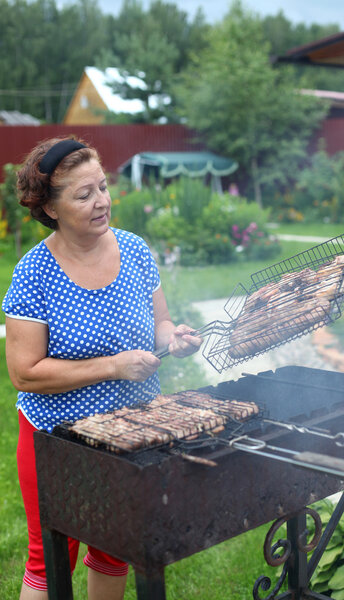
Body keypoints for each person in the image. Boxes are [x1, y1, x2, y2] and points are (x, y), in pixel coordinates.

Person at [2, 136, 202, 600]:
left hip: (132, 426)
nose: (102, 202)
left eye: (103, 187)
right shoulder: (33, 273)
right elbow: (25, 372)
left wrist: (173, 338)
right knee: (51, 554)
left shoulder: (134, 250)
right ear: (50, 208)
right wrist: (112, 367)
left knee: (115, 546)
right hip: (57, 436)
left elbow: (159, 325)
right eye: (83, 194)